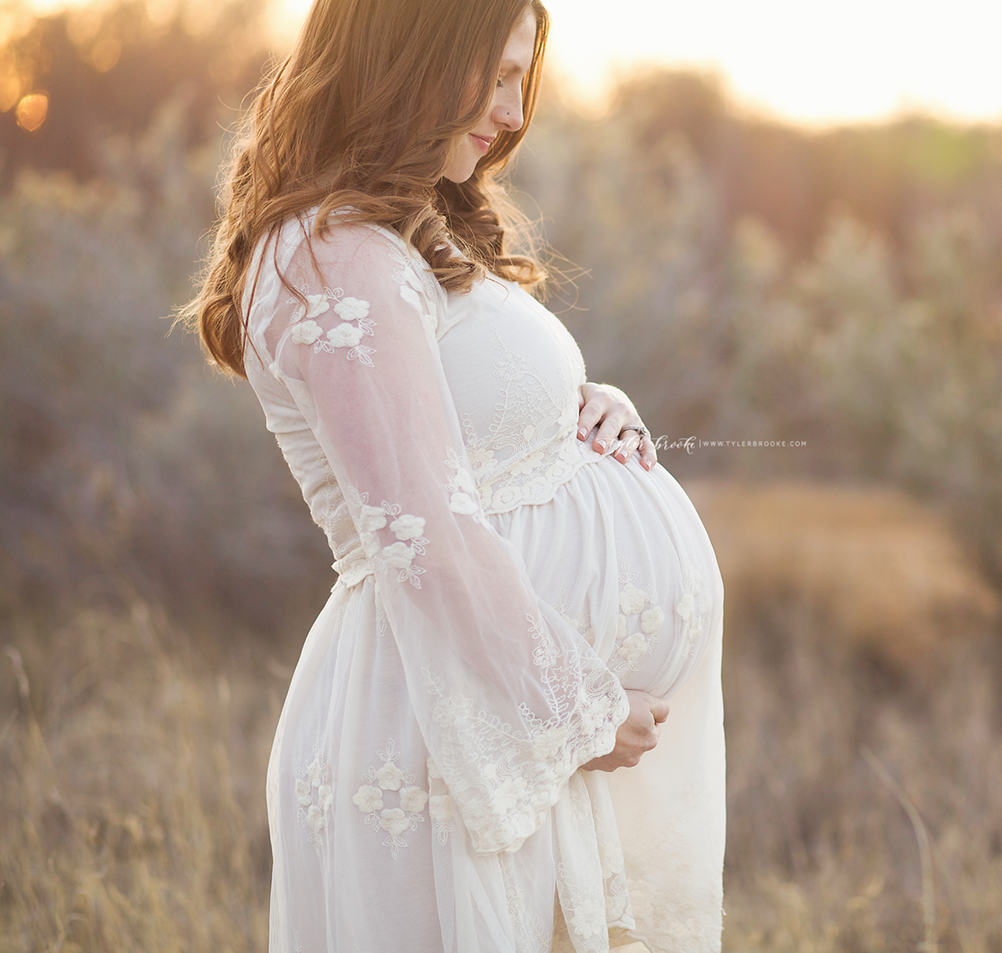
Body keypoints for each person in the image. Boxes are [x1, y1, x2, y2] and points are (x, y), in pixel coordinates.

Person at [182, 1, 725, 950]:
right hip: (444, 737)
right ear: (415, 53)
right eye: (502, 73)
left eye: (526, 78)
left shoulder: (389, 232)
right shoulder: (332, 257)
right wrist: (583, 713)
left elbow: (453, 416)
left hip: (485, 727)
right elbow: (419, 532)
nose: (516, 112)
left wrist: (587, 411)